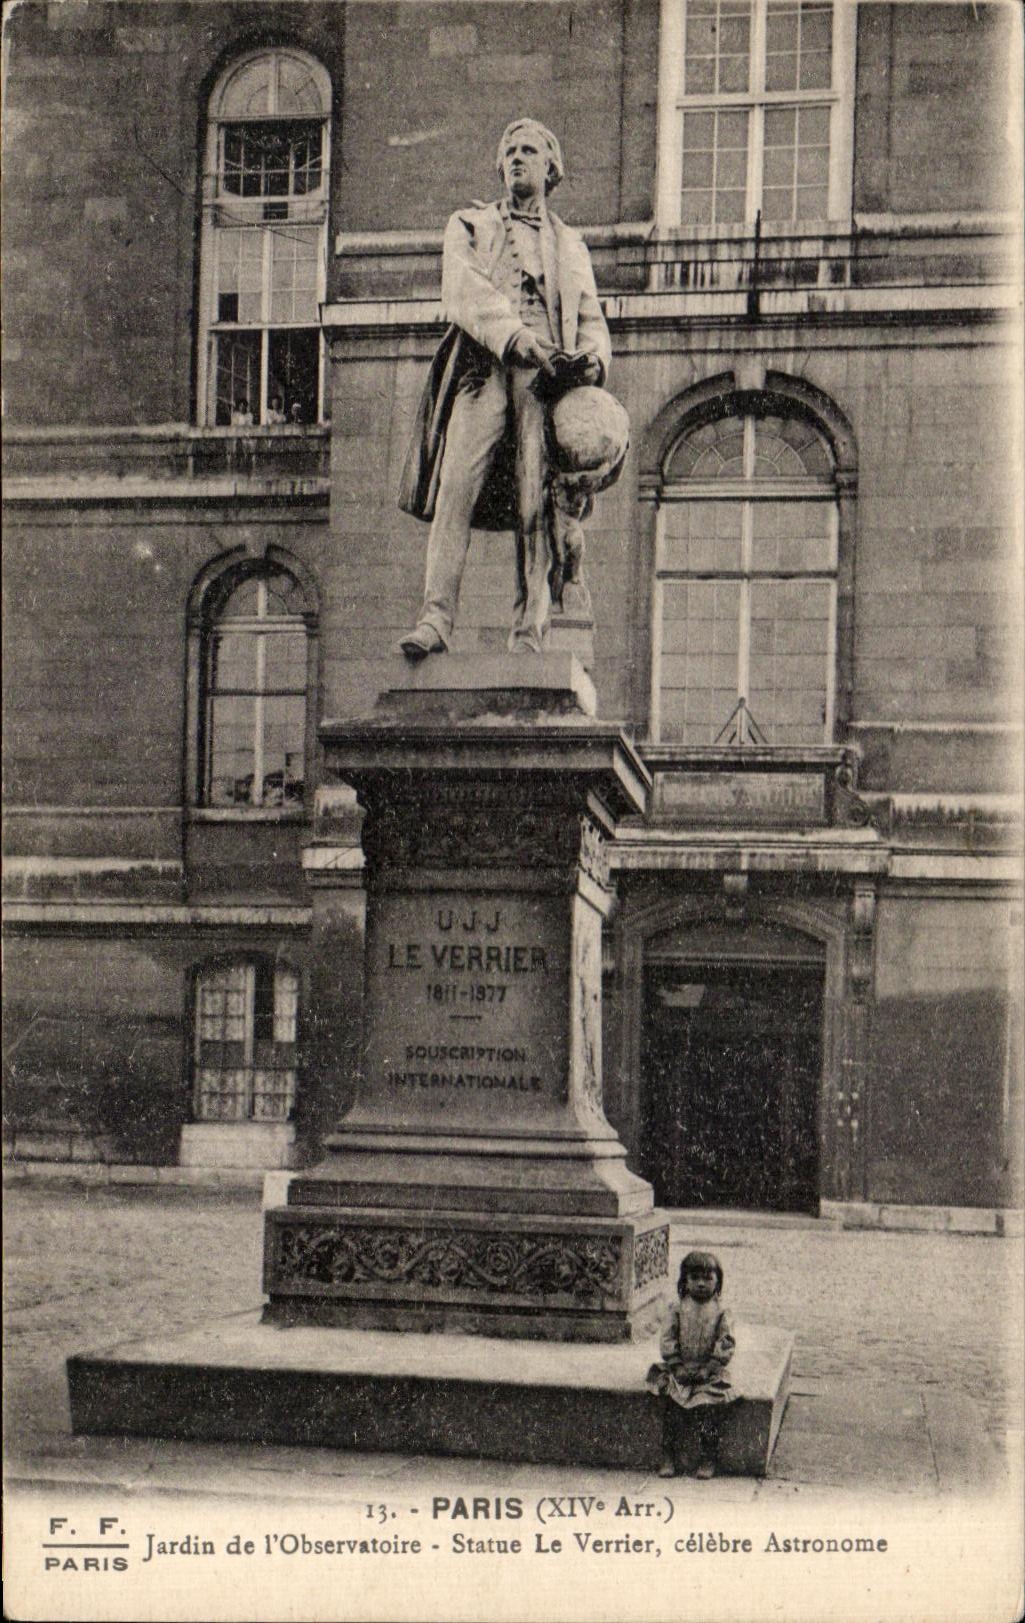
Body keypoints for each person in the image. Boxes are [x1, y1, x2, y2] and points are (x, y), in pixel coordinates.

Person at [398, 118, 612, 658]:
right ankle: (435, 619)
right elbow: (463, 288)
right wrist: (512, 335)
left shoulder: (571, 245)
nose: (518, 158)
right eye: (510, 150)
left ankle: (528, 635)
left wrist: (589, 362)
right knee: (455, 487)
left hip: (544, 383)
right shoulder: (468, 224)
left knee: (534, 503)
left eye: (530, 150)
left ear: (550, 167)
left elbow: (590, 319)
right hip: (484, 368)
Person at [645, 1250, 737, 1479]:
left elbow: (726, 1342)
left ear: (718, 1282)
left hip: (708, 1372)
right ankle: (668, 1455)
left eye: (708, 1279)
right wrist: (676, 1365)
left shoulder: (721, 1312)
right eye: (695, 1278)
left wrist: (711, 1366)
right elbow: (667, 1338)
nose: (701, 1284)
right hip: (681, 1369)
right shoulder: (676, 1309)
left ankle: (708, 1457)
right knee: (671, 1407)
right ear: (684, 1282)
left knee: (709, 1410)